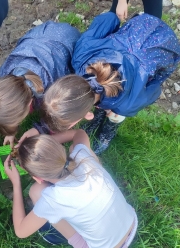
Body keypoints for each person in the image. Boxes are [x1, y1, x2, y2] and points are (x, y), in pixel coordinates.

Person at [39, 12, 180, 154]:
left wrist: (147, 81)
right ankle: (101, 111)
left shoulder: (126, 105)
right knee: (113, 105)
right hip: (143, 24)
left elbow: (155, 91)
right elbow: (109, 19)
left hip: (166, 46)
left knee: (117, 114)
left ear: (84, 116)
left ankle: (109, 129)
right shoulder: (81, 56)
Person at [4, 129, 138, 248]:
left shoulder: (54, 199)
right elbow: (78, 133)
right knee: (76, 147)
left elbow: (21, 231)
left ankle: (56, 234)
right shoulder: (82, 154)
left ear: (38, 178)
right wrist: (45, 147)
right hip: (131, 222)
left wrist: (16, 184)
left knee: (36, 192)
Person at [0, 21, 81, 147]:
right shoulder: (5, 73)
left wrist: (40, 129)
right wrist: (10, 130)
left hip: (68, 42)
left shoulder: (53, 89)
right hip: (42, 35)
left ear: (30, 103)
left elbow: (60, 116)